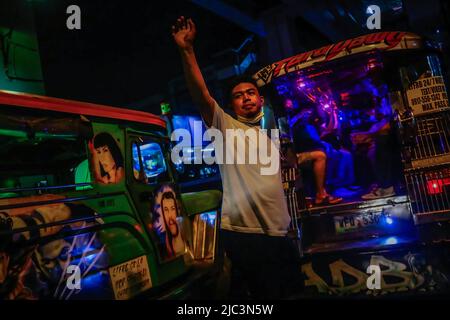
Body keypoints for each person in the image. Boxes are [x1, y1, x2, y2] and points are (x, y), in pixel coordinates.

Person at [171, 16, 301, 299]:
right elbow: (201, 96)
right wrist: (187, 50)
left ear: (261, 100)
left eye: (251, 93)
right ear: (231, 106)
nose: (246, 98)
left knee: (293, 290)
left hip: (280, 232)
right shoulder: (227, 127)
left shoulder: (272, 133)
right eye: (239, 96)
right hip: (246, 234)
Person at [290, 107, 343, 205]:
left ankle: (326, 191)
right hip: (293, 155)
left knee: (334, 155)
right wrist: (299, 115)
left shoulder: (310, 125)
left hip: (306, 151)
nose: (307, 114)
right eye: (305, 113)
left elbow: (329, 129)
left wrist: (333, 113)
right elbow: (287, 126)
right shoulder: (295, 125)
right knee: (320, 155)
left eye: (309, 113)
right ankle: (320, 195)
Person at [160, 191, 185, 257]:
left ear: (178, 210)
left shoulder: (187, 232)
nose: (170, 216)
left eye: (173, 208)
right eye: (166, 210)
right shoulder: (165, 242)